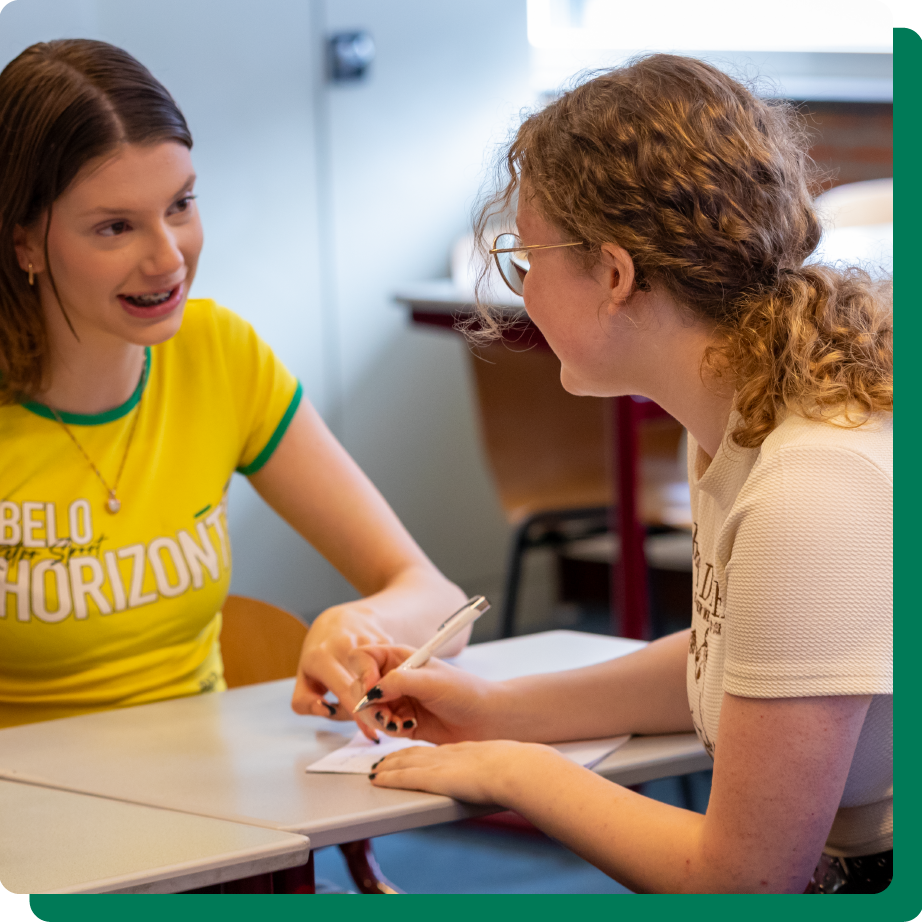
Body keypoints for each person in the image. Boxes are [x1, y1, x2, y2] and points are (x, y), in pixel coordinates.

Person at [356, 55, 893, 894]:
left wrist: (516, 773)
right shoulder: (737, 416)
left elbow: (744, 882)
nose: (523, 285)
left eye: (528, 255)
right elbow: (744, 658)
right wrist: (500, 710)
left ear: (614, 274)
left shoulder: (811, 482)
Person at [0, 38, 467, 732]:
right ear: (27, 244)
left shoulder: (219, 353)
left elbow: (440, 599)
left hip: (208, 811)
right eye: (115, 227)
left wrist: (354, 625)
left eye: (181, 205)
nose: (168, 257)